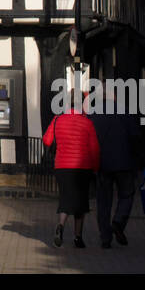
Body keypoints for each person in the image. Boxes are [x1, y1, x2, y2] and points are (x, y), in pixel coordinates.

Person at [43, 96, 101, 249]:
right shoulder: (87, 122)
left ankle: (60, 226)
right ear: (81, 105)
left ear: (67, 105)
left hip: (62, 166)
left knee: (66, 198)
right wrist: (95, 168)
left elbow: (47, 140)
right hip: (82, 168)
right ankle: (78, 238)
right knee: (81, 202)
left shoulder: (57, 120)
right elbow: (94, 149)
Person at [91, 110, 142, 249]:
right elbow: (135, 138)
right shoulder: (127, 114)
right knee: (127, 195)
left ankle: (105, 238)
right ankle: (118, 221)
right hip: (124, 163)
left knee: (103, 202)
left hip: (103, 164)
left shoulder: (95, 115)